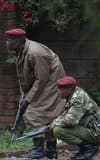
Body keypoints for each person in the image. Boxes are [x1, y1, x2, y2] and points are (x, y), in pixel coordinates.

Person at [5, 28, 66, 159]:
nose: (7, 43)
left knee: (33, 113)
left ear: (20, 41)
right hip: (42, 82)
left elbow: (41, 79)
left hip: (51, 83)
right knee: (44, 117)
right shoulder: (21, 51)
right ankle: (51, 151)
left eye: (10, 40)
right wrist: (24, 96)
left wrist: (28, 100)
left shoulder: (35, 53)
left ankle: (39, 150)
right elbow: (25, 78)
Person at [49, 76, 100, 160]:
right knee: (57, 126)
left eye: (60, 90)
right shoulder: (74, 93)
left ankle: (89, 149)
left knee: (58, 130)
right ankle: (85, 149)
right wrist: (54, 122)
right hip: (92, 128)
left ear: (69, 90)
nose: (58, 92)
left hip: (98, 132)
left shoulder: (77, 98)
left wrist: (54, 123)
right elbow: (66, 115)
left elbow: (70, 121)